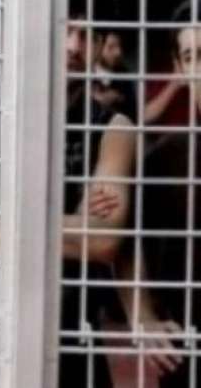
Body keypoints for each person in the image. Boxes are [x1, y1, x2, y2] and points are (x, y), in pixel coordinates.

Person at [0, 19, 134, 387]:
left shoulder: (111, 126)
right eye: (65, 30)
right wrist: (70, 220)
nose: (73, 46)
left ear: (102, 47)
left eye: (88, 36)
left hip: (67, 328)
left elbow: (102, 242)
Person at [122, 24, 201, 387]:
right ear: (180, 69)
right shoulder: (165, 159)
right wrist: (144, 315)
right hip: (188, 348)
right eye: (191, 57)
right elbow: (126, 241)